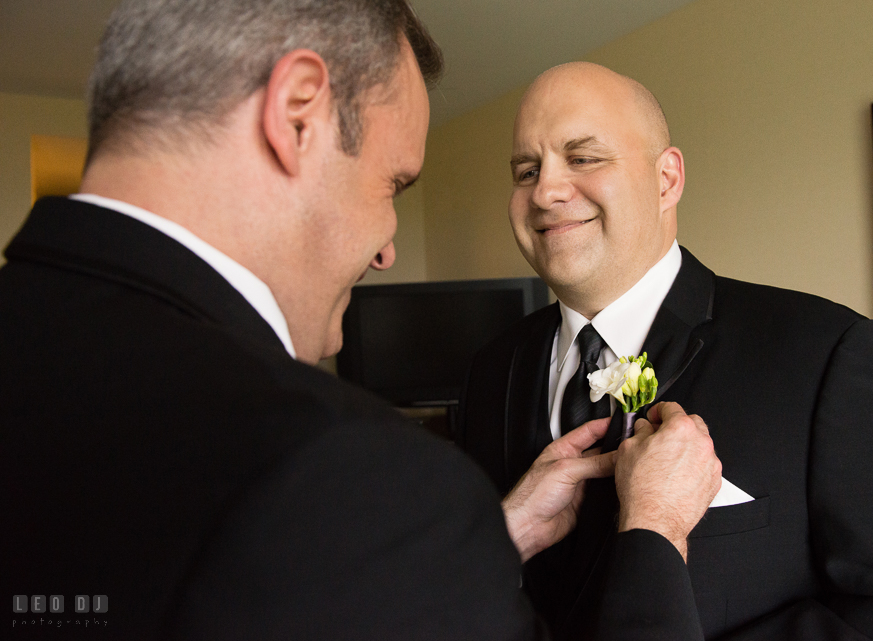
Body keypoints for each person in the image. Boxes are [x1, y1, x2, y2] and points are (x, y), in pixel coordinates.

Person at [0, 2, 723, 640]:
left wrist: (492, 537)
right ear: (297, 114)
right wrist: (654, 530)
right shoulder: (351, 475)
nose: (387, 248)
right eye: (393, 185)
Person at [457, 61, 873, 640]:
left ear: (666, 179)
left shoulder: (824, 353)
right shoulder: (489, 372)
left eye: (583, 157)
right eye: (526, 170)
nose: (545, 191)